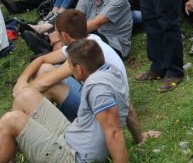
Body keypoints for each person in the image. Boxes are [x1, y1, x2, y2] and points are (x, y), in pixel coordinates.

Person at [13, 10, 158, 143]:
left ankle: (17, 129)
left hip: (102, 113)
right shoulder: (90, 40)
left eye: (55, 32)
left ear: (64, 35)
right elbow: (41, 60)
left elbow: (44, 83)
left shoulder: (81, 52)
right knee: (44, 69)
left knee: (48, 86)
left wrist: (21, 95)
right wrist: (22, 80)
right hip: (111, 102)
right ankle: (24, 124)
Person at [0, 39, 129, 162]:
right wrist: (139, 138)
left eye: (69, 64)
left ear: (79, 68)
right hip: (72, 136)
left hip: (73, 157)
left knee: (10, 120)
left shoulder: (97, 88)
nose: (68, 67)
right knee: (25, 95)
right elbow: (129, 108)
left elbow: (114, 130)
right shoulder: (112, 71)